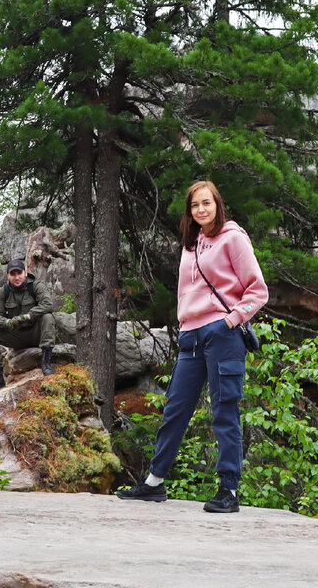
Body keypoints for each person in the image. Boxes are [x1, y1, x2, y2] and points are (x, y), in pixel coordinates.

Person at [117, 180, 267, 512]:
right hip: (191, 338)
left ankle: (229, 490)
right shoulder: (191, 245)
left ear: (218, 204)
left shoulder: (233, 238)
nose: (201, 209)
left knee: (224, 411)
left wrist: (229, 321)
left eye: (206, 203)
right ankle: (155, 483)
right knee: (175, 409)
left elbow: (258, 291)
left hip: (223, 336)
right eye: (195, 205)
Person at [0, 259, 58, 390]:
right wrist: (7, 322)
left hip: (36, 334)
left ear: (25, 273)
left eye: (19, 273)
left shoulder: (37, 286)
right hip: (15, 336)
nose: (16, 277)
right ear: (8, 276)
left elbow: (48, 305)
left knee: (48, 317)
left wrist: (28, 316)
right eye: (13, 274)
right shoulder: (4, 292)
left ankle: (46, 364)